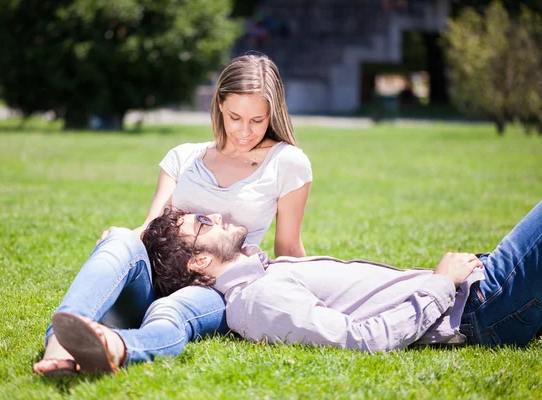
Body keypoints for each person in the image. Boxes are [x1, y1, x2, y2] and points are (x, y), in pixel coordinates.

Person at [33, 54, 313, 375]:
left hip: (214, 291)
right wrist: (118, 240)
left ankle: (113, 347)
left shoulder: (287, 163)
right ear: (219, 104)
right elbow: (150, 227)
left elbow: (289, 247)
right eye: (235, 117)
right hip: (152, 281)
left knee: (172, 309)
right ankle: (58, 345)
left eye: (257, 120)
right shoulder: (184, 157)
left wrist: (311, 300)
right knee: (122, 237)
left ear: (272, 114)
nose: (245, 132)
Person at [48, 201, 541, 373]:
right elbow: (359, 340)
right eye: (203, 222)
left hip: (475, 288)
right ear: (199, 260)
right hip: (479, 304)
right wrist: (440, 283)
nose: (216, 215)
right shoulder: (257, 301)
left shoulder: (264, 274)